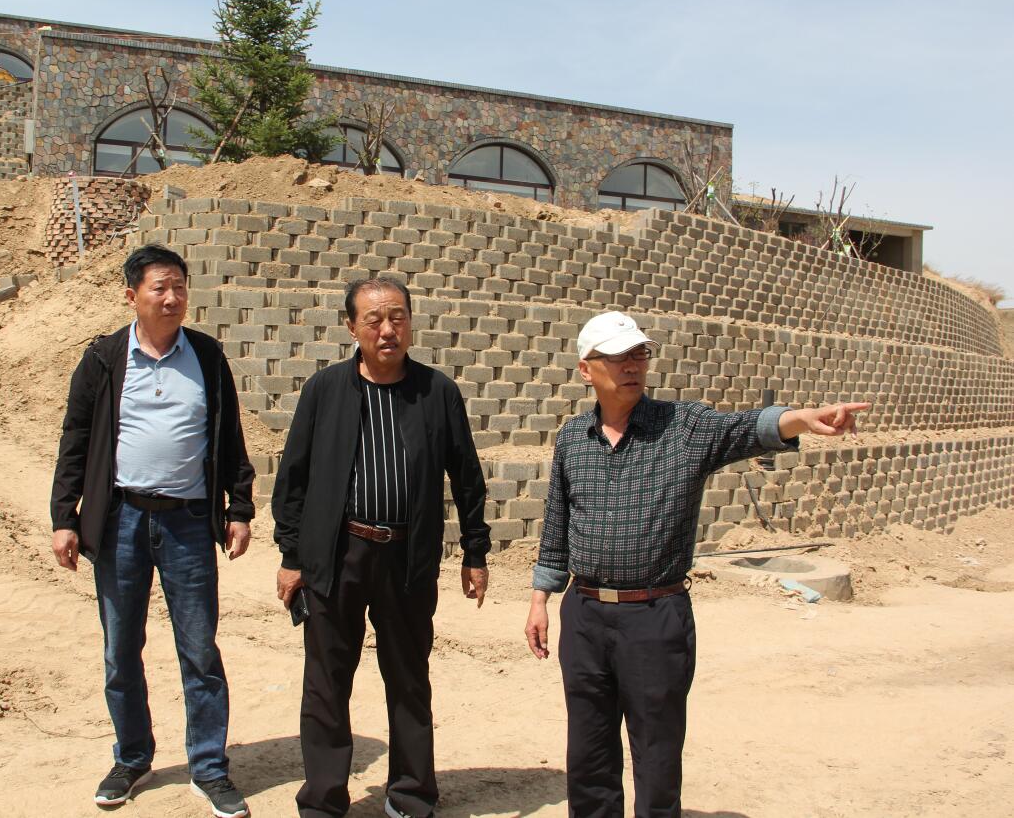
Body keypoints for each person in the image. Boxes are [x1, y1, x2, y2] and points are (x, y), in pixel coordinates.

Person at [524, 310, 870, 818]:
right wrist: (540, 599)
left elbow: (746, 428)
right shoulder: (574, 438)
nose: (631, 366)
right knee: (589, 754)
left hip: (654, 617)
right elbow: (557, 524)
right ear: (585, 369)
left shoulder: (683, 427)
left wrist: (802, 419)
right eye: (617, 357)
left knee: (657, 755)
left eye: (639, 354)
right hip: (585, 614)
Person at [272, 278, 491, 818]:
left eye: (398, 317)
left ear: (411, 323)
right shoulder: (325, 390)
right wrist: (291, 556)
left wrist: (475, 552)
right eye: (374, 320)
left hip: (407, 560)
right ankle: (323, 800)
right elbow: (293, 477)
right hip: (336, 555)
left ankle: (411, 795)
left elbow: (467, 477)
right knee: (326, 682)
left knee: (409, 679)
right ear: (352, 327)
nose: (387, 330)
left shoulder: (437, 393)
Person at [49, 245, 255, 817]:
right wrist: (64, 517)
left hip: (188, 522)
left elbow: (230, 438)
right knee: (121, 649)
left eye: (179, 287)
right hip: (121, 520)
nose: (172, 298)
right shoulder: (104, 358)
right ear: (132, 295)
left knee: (200, 650)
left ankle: (209, 767)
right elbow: (75, 440)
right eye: (160, 287)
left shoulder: (207, 356)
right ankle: (132, 757)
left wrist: (239, 508)